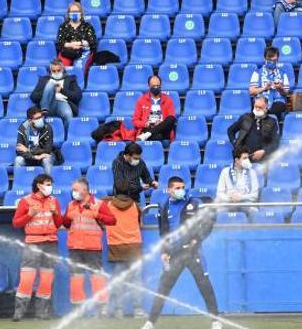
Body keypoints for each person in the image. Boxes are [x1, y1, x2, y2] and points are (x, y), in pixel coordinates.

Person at [141, 177, 221, 329]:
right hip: (174, 255)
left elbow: (210, 220)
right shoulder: (164, 207)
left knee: (205, 285)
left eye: (183, 187)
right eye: (177, 188)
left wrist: (197, 239)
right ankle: (150, 322)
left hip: (193, 252)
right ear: (169, 190)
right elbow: (163, 232)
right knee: (163, 288)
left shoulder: (194, 203)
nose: (181, 190)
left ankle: (215, 321)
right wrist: (164, 251)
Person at [12, 173, 63, 321]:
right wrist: (29, 214)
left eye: (50, 184)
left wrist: (55, 214)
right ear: (39, 185)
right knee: (27, 278)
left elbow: (59, 224)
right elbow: (16, 223)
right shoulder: (25, 201)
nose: (50, 187)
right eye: (47, 184)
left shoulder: (54, 201)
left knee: (47, 279)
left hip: (51, 243)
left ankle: (42, 313)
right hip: (32, 243)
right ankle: (19, 313)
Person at [62, 177, 116, 314]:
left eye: (75, 190)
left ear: (85, 190)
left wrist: (96, 213)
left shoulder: (98, 204)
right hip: (74, 248)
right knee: (76, 278)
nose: (73, 192)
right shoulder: (71, 205)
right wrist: (67, 217)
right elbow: (66, 224)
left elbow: (112, 220)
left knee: (97, 278)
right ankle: (77, 308)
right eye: (72, 189)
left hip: (92, 248)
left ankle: (102, 307)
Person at [104, 182, 145, 318]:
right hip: (134, 247)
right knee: (136, 280)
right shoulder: (135, 206)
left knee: (118, 280)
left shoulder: (108, 205)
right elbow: (140, 223)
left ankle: (118, 310)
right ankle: (138, 310)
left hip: (117, 248)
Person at [30, 59, 82, 128]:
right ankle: (44, 111)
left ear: (62, 69)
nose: (56, 73)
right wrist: (48, 91)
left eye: (58, 70)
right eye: (54, 71)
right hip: (47, 104)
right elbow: (33, 97)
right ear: (50, 71)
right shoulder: (44, 80)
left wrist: (62, 90)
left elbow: (78, 96)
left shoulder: (70, 79)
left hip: (62, 102)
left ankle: (67, 136)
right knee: (50, 85)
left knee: (68, 115)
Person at [227, 97, 279, 163]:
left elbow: (275, 143)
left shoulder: (272, 122)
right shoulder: (245, 118)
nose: (257, 109)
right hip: (244, 157)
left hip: (263, 159)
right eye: (256, 106)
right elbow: (230, 130)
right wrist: (235, 142)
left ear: (266, 108)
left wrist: (264, 151)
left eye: (260, 107)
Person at [132, 76, 177, 142]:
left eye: (157, 85)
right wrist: (145, 124)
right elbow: (135, 121)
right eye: (153, 85)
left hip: (163, 129)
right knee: (157, 136)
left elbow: (171, 118)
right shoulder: (141, 100)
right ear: (149, 86)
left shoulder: (167, 100)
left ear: (161, 86)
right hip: (148, 127)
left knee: (171, 118)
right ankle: (149, 133)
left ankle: (147, 134)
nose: (155, 88)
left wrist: (161, 122)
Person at [248, 47, 290, 117]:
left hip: (278, 102)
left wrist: (280, 88)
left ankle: (266, 116)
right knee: (260, 106)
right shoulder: (257, 73)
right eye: (270, 60)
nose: (272, 62)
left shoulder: (283, 73)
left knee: (278, 107)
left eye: (274, 60)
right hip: (261, 100)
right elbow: (251, 91)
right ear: (265, 59)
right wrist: (264, 88)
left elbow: (286, 92)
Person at [15, 107, 58, 175]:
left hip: (43, 157)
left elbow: (47, 150)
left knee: (46, 160)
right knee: (18, 160)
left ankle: (47, 182)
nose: (40, 119)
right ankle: (17, 183)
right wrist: (34, 157)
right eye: (37, 118)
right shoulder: (23, 128)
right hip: (30, 157)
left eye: (41, 117)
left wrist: (28, 150)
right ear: (30, 121)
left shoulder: (47, 127)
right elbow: (19, 150)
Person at [56, 2, 97, 71]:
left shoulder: (87, 26)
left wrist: (79, 44)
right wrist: (71, 45)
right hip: (67, 52)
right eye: (72, 12)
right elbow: (60, 41)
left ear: (81, 13)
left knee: (78, 70)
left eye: (76, 11)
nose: (74, 13)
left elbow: (91, 40)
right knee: (62, 70)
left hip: (83, 52)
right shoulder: (63, 26)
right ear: (68, 14)